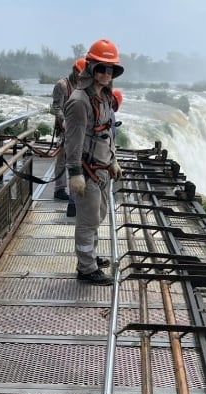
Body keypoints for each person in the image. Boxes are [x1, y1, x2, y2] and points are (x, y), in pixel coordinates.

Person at [64, 38, 124, 286]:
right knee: (87, 220)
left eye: (110, 69)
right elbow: (73, 140)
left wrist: (114, 160)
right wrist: (75, 173)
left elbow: (107, 133)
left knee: (97, 215)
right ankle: (86, 269)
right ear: (90, 68)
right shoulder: (79, 101)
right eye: (101, 68)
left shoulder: (105, 97)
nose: (106, 73)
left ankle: (90, 257)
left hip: (102, 169)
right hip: (87, 172)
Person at [51, 57, 86, 205]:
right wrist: (64, 121)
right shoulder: (62, 85)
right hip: (64, 128)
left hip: (78, 129)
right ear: (74, 70)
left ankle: (76, 190)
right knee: (61, 159)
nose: (80, 76)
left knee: (77, 158)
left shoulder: (83, 86)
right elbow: (56, 107)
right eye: (79, 72)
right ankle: (59, 189)